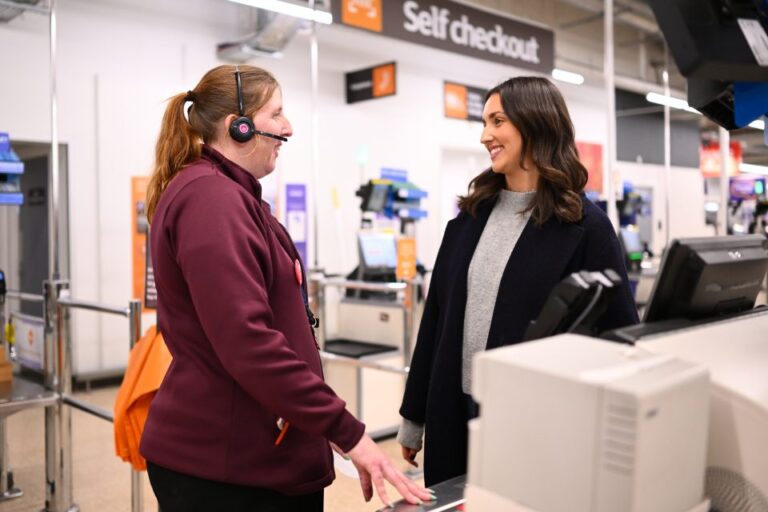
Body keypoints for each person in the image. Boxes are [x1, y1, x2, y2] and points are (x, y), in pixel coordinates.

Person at [139, 64, 433, 511]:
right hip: (227, 467)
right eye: (276, 114)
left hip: (250, 454)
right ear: (237, 127)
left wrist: (312, 419)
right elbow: (248, 342)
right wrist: (348, 432)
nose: (288, 127)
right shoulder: (212, 200)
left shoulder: (232, 196)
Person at [397, 76, 639, 486]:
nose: (485, 135)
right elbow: (435, 320)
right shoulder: (469, 218)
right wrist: (413, 416)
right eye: (484, 122)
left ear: (534, 123)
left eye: (497, 121)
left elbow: (618, 336)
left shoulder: (586, 227)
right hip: (455, 410)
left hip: (537, 421)